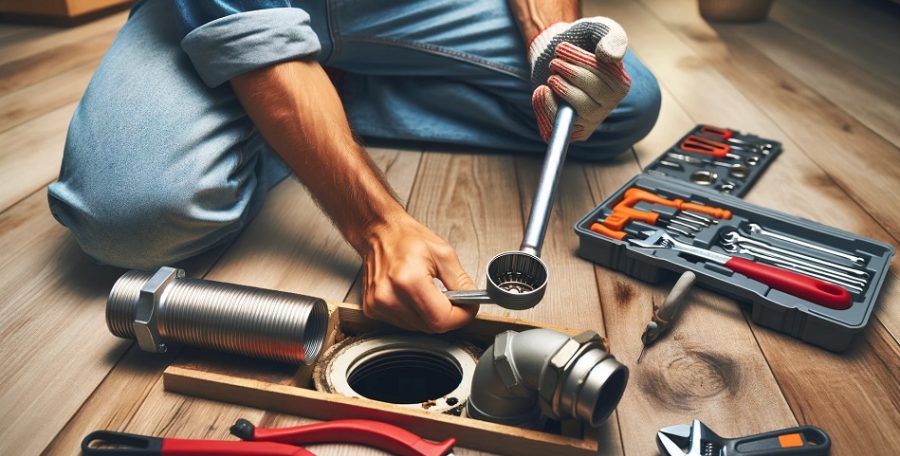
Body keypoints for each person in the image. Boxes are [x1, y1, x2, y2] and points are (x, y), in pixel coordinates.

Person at [48, 0, 661, 333]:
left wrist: (551, 43)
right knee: (128, 216)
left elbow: (563, 51)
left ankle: (322, 102)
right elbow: (247, 19)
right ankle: (289, 107)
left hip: (390, 10)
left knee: (619, 102)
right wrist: (378, 225)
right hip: (223, 7)